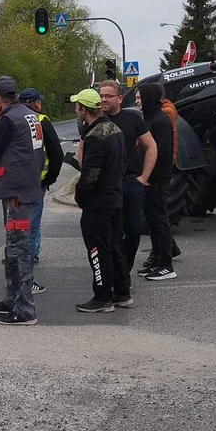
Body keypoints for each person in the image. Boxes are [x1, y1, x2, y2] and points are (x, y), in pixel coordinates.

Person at [0, 76, 45, 326]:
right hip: (26, 188)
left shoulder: (7, 120)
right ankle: (12, 299)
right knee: (15, 248)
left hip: (17, 193)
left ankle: (25, 309)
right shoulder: (29, 114)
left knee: (19, 250)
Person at [69, 89, 127, 312]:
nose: (76, 111)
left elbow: (90, 173)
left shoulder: (95, 136)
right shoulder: (115, 129)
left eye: (78, 107)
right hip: (115, 197)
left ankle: (102, 296)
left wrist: (80, 194)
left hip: (98, 202)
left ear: (84, 110)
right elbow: (123, 161)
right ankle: (122, 292)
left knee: (97, 248)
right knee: (114, 246)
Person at [97, 80, 156, 280]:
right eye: (101, 95)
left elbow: (151, 147)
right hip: (106, 186)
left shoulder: (133, 119)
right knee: (110, 234)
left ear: (120, 98)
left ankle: (124, 271)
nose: (103, 99)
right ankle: (114, 275)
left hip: (131, 182)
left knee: (133, 230)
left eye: (108, 96)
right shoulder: (96, 119)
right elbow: (82, 151)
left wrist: (144, 177)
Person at [18, 87, 64, 285]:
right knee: (32, 224)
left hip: (12, 185)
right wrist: (50, 179)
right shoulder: (41, 121)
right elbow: (57, 154)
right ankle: (30, 257)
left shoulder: (10, 119)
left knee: (15, 224)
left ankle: (16, 256)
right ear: (36, 103)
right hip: (36, 183)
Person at [134, 84, 177, 281]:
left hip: (157, 179)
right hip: (149, 178)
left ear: (149, 98)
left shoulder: (161, 121)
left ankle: (166, 264)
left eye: (139, 97)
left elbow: (163, 153)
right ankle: (156, 258)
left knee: (160, 221)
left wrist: (150, 178)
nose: (137, 101)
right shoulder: (149, 119)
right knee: (152, 221)